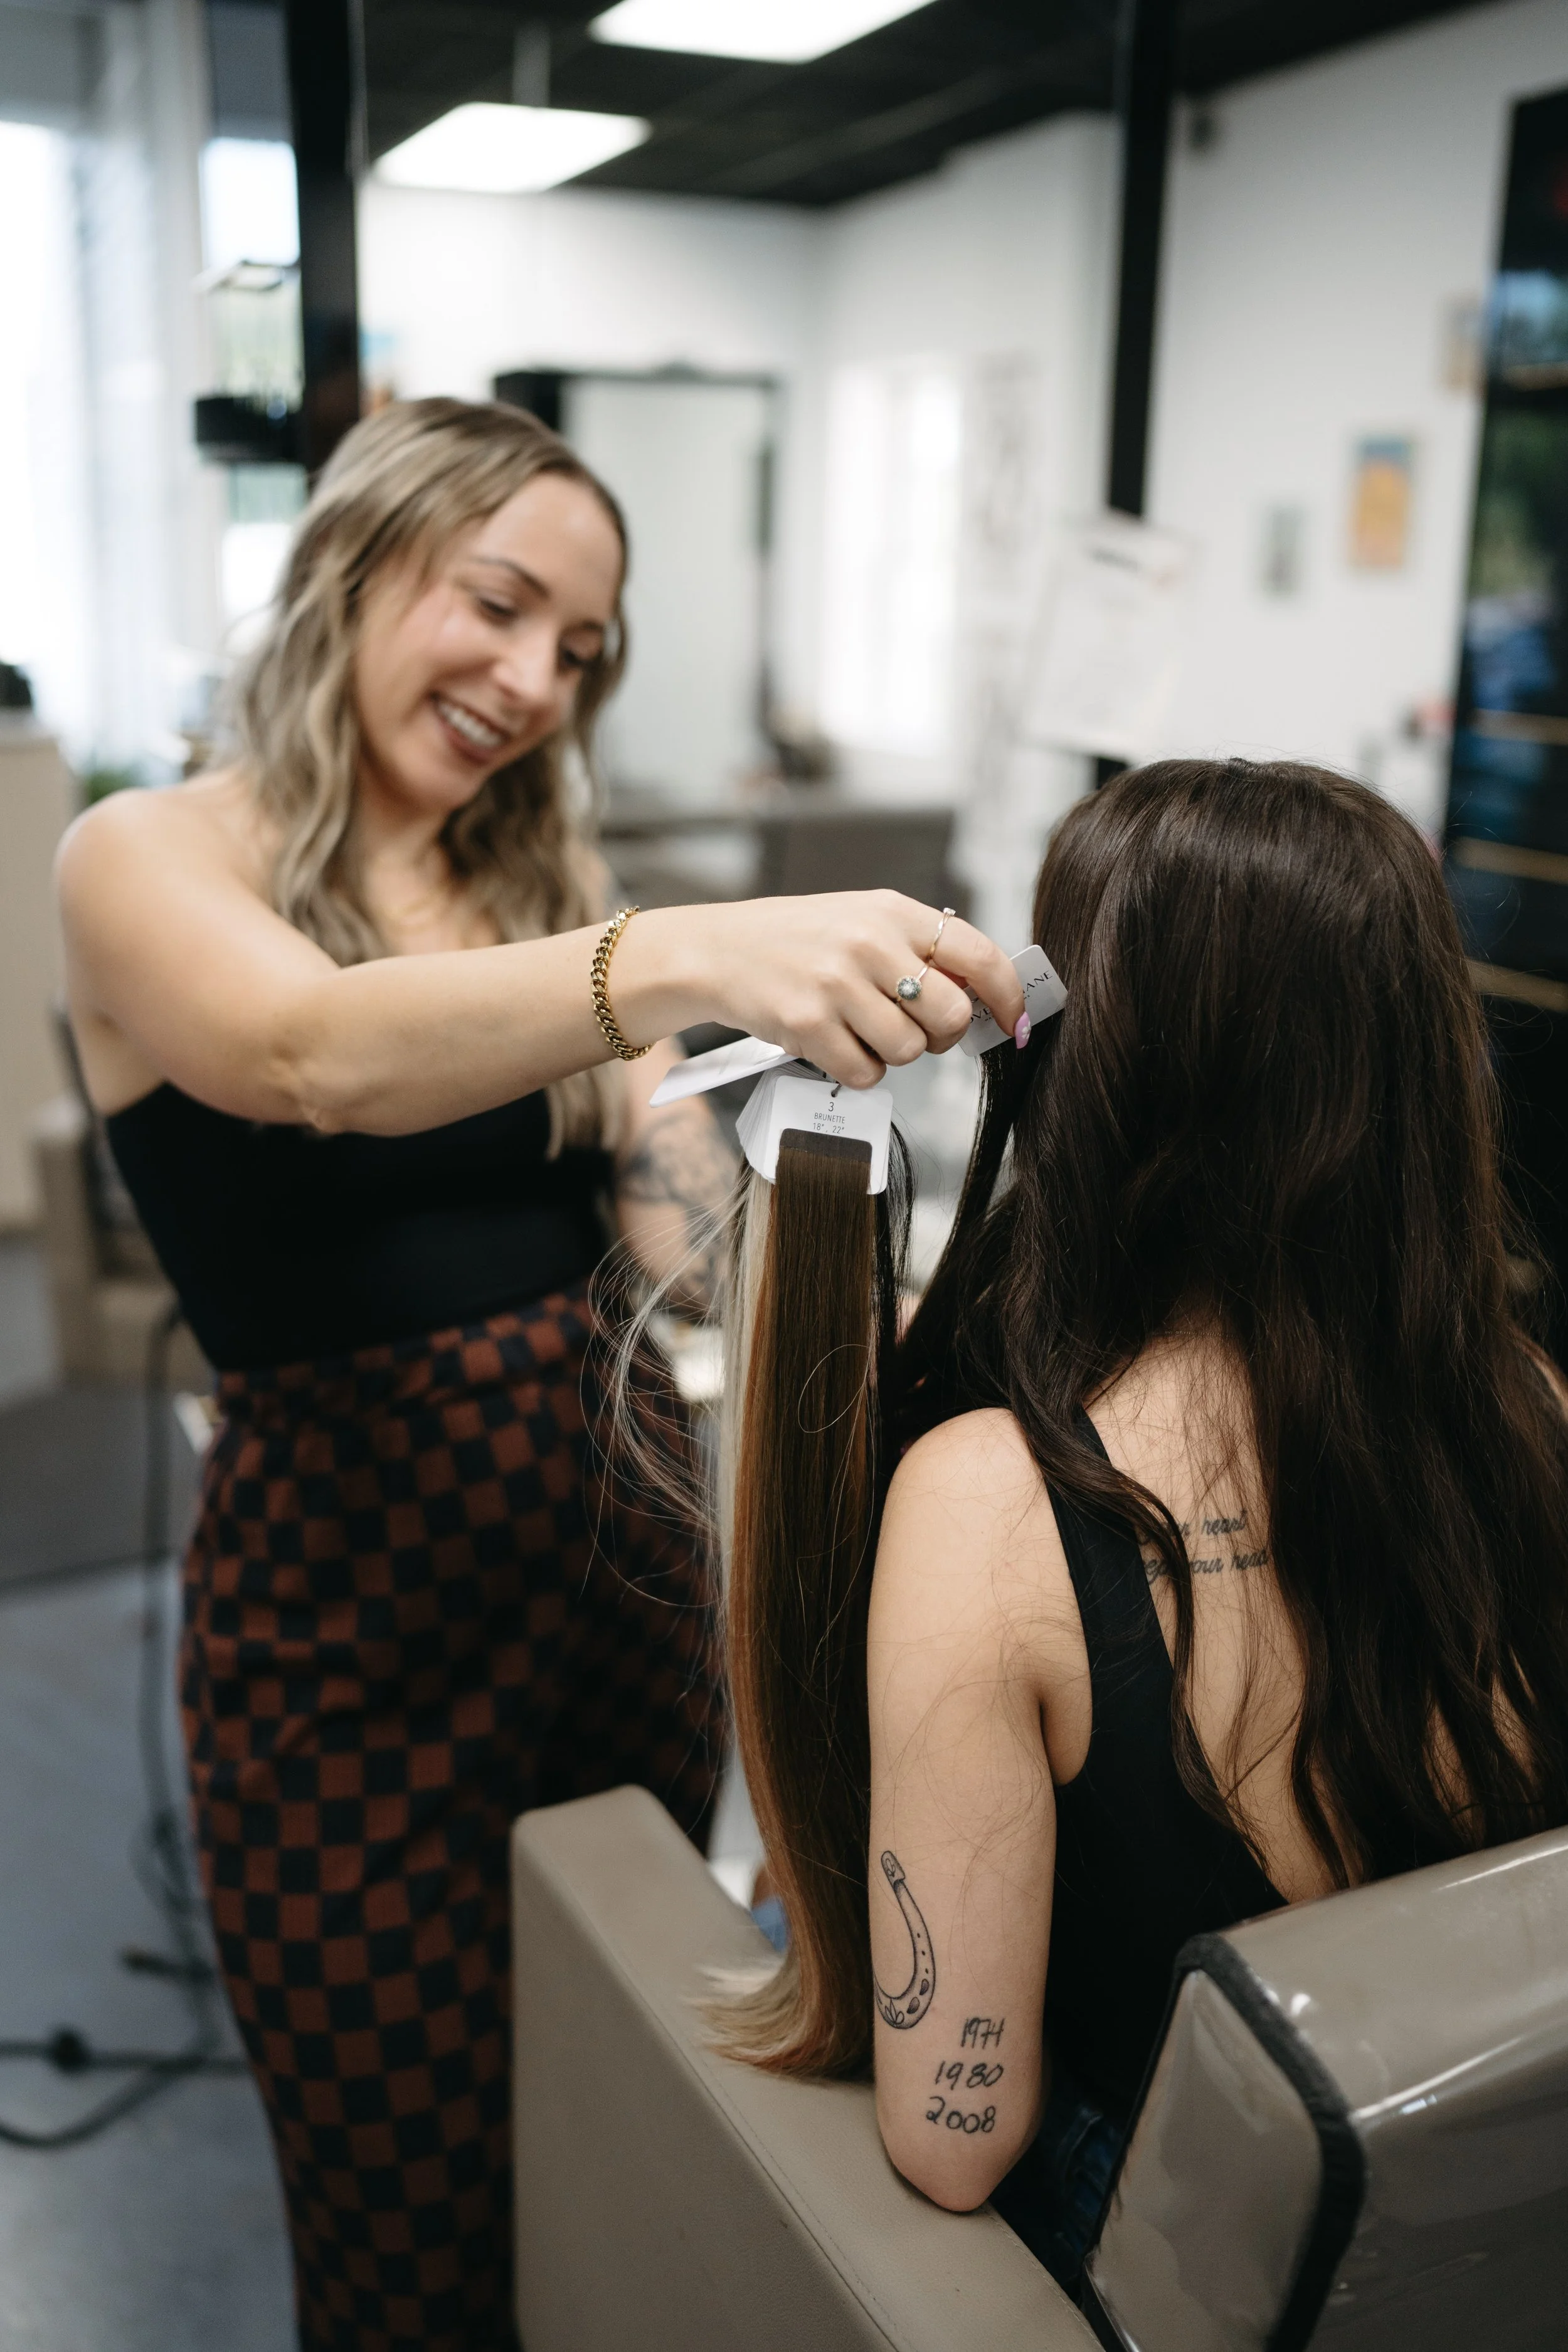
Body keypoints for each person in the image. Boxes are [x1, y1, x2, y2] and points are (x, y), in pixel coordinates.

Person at [56, 395, 1024, 2351]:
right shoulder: (143, 857)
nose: (528, 680)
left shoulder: (528, 879)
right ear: (354, 561)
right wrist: (682, 949)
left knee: (614, 2120)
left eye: (576, 651)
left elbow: (666, 1202)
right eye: (496, 606)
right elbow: (317, 1053)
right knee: (404, 2224)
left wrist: (877, 1279)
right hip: (346, 1635)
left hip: (620, 1578)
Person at [710, 757, 1568, 2294]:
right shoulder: (1528, 1417)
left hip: (1191, 2270)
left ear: (1082, 1068)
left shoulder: (986, 1509)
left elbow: (952, 2137)